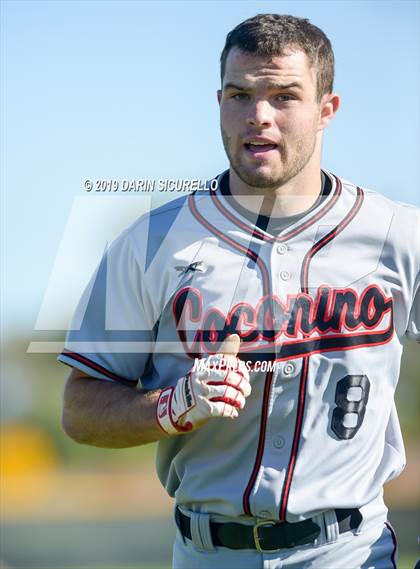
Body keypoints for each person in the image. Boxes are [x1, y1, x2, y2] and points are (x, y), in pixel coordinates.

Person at [59, 14, 419, 569]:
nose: (259, 117)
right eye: (240, 94)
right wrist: (172, 407)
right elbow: (81, 411)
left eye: (284, 96)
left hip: (352, 552)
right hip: (208, 554)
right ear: (218, 101)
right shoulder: (149, 243)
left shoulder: (399, 233)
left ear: (327, 109)